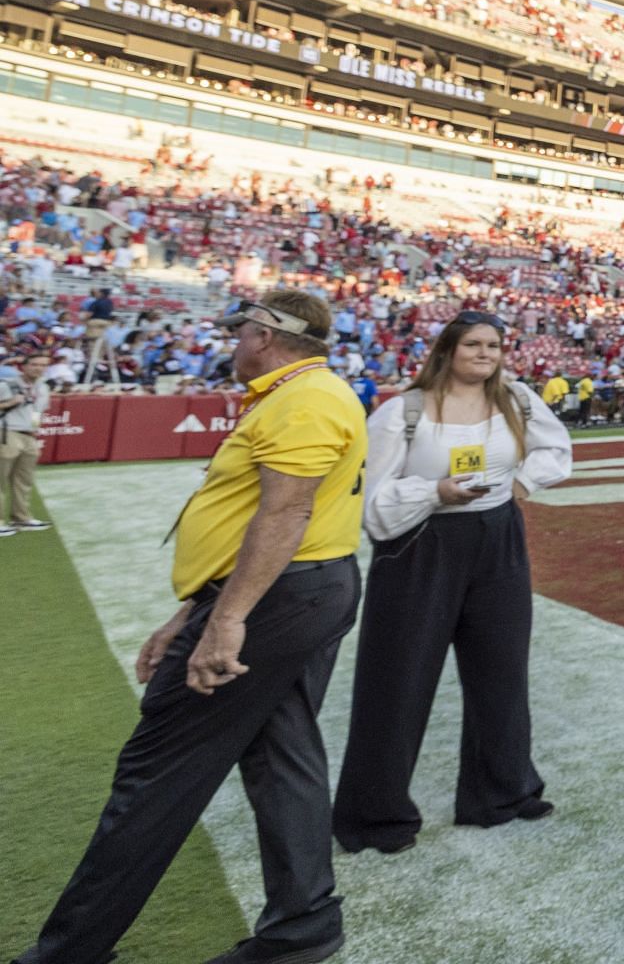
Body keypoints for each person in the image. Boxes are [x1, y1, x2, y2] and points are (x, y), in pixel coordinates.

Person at [11, 291, 365, 964]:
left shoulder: (305, 399)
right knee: (281, 757)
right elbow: (250, 523)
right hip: (285, 594)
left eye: (241, 333)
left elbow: (285, 515)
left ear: (264, 335)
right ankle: (304, 925)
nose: (232, 345)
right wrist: (192, 612)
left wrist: (225, 618)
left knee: (158, 769)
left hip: (277, 600)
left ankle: (69, 951)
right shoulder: (297, 394)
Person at [331, 310, 572, 855]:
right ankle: (376, 816)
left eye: (494, 344)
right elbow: (372, 504)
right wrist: (435, 493)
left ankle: (502, 793)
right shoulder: (402, 412)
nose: (485, 353)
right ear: (448, 350)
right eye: (473, 344)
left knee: (501, 669)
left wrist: (520, 485)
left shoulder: (517, 400)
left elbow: (556, 452)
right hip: (421, 546)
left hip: (498, 539)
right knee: (397, 679)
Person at [0, 352, 53, 536]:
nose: (39, 368)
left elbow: (37, 411)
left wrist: (34, 429)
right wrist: (9, 403)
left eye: (43, 365)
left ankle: (21, 518)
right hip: (7, 432)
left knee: (24, 480)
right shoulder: (8, 384)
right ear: (24, 366)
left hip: (28, 435)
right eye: (35, 364)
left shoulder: (43, 387)